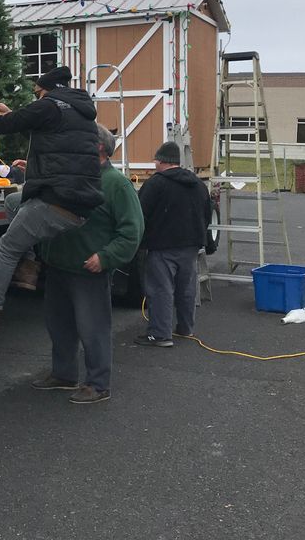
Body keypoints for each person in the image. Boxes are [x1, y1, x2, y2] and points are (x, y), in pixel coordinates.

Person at [0, 66, 104, 336]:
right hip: (79, 198)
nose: (36, 98)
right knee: (15, 201)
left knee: (6, 247)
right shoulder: (77, 110)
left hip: (58, 199)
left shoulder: (48, 105)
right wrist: (13, 114)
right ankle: (28, 267)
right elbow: (55, 140)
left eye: (37, 93)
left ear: (46, 90)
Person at [34, 124, 144, 404]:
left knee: (93, 329)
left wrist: (106, 257)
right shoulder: (72, 178)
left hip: (87, 270)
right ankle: (64, 374)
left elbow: (132, 231)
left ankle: (98, 384)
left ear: (97, 148)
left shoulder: (116, 184)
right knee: (58, 326)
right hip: (58, 266)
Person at [135, 141, 212, 347]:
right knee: (186, 288)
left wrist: (138, 242)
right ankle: (185, 328)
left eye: (155, 161)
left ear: (161, 161)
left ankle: (160, 334)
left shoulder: (156, 183)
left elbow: (140, 214)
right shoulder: (198, 184)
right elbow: (207, 214)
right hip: (191, 246)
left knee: (161, 289)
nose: (154, 164)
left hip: (162, 246)